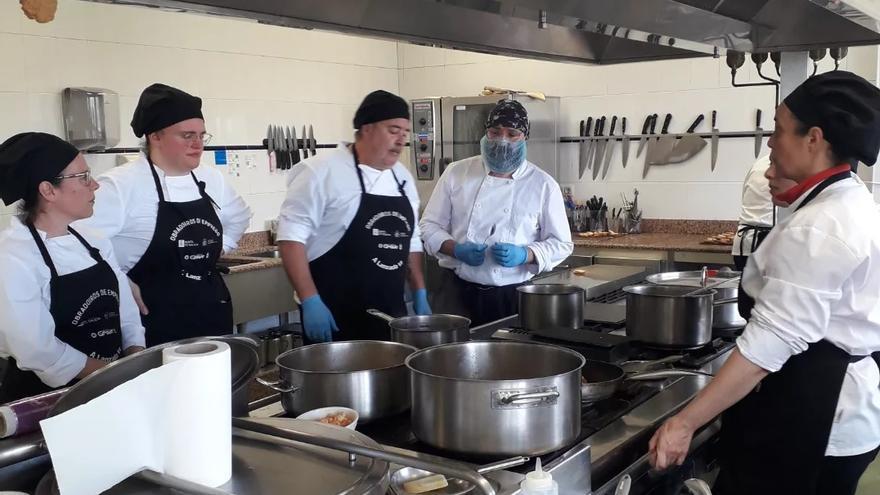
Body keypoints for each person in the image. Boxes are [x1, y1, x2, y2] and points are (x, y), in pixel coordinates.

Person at [649, 71, 880, 495]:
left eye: (777, 130)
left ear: (813, 138)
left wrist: (685, 422)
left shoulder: (820, 226)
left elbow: (770, 342)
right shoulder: (849, 200)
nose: (771, 143)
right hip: (834, 408)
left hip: (815, 418)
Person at [77, 83, 252, 346]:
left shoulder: (209, 177)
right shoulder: (121, 185)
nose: (198, 144)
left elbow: (239, 215)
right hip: (152, 323)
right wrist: (120, 281)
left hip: (210, 312)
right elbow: (79, 243)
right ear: (154, 136)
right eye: (187, 135)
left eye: (202, 135)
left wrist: (219, 247)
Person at [0, 133, 145, 401]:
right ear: (48, 190)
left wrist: (136, 359)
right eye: (83, 177)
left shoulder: (95, 241)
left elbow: (126, 310)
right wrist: (113, 375)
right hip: (48, 401)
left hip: (113, 388)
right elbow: (37, 349)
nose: (95, 186)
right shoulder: (12, 257)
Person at [277, 90, 429, 344]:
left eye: (405, 132)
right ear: (366, 129)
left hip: (389, 315)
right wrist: (310, 300)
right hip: (334, 316)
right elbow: (291, 240)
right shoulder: (321, 172)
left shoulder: (401, 176)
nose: (401, 140)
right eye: (393, 130)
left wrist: (420, 291)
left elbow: (411, 240)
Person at [419, 99, 573, 326]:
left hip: (512, 297)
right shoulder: (456, 172)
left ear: (525, 138)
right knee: (453, 358)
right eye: (495, 132)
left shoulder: (542, 184)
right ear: (485, 134)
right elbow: (428, 226)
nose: (503, 140)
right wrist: (456, 249)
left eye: (512, 134)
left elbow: (562, 244)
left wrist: (526, 254)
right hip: (457, 293)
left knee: (509, 359)